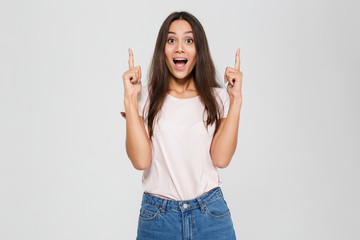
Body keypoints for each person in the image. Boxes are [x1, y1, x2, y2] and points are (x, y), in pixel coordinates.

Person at [120, 11, 243, 240]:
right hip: (158, 218)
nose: (179, 48)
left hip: (210, 216)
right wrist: (129, 99)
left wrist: (236, 100)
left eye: (189, 40)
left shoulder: (219, 98)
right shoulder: (143, 97)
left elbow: (221, 159)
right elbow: (140, 161)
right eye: (171, 40)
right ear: (162, 50)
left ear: (199, 51)